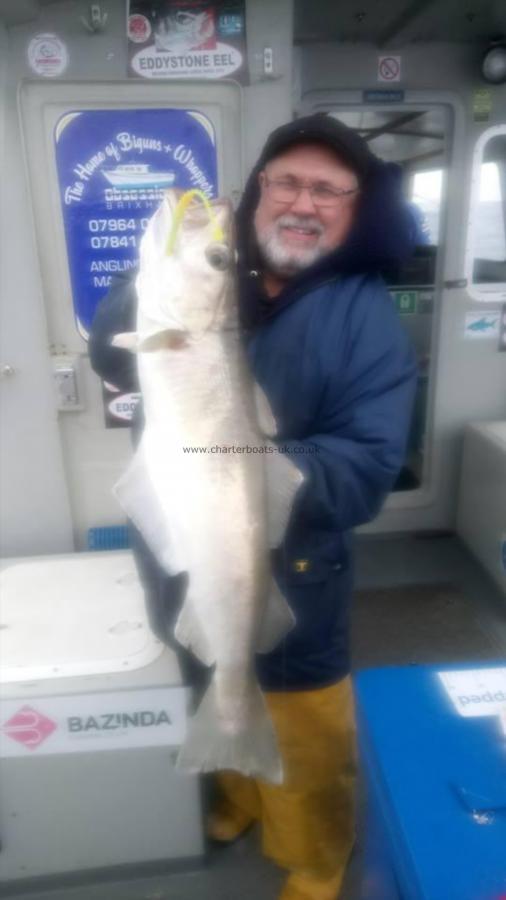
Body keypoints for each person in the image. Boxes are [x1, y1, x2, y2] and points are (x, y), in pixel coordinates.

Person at [89, 113, 418, 900]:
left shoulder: (365, 317)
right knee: (216, 682)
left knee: (305, 735)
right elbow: (112, 350)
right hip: (183, 556)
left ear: (354, 207)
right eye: (287, 181)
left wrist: (239, 464)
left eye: (328, 190)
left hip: (295, 576)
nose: (302, 203)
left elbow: (368, 468)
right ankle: (236, 792)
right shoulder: (211, 283)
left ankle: (315, 857)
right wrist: (159, 274)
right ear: (259, 192)